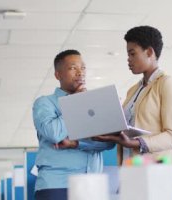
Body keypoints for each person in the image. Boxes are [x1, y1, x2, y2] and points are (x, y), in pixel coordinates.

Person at [94, 26, 172, 169]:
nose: (128, 60)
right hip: (131, 166)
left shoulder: (167, 83)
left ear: (149, 52)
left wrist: (136, 143)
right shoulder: (133, 91)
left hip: (156, 168)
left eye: (132, 54)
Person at [32, 49, 115, 200]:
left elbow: (108, 143)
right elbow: (54, 133)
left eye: (83, 68)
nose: (80, 72)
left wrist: (76, 143)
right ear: (58, 75)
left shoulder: (95, 103)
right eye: (72, 68)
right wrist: (76, 103)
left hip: (91, 185)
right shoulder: (44, 103)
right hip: (57, 185)